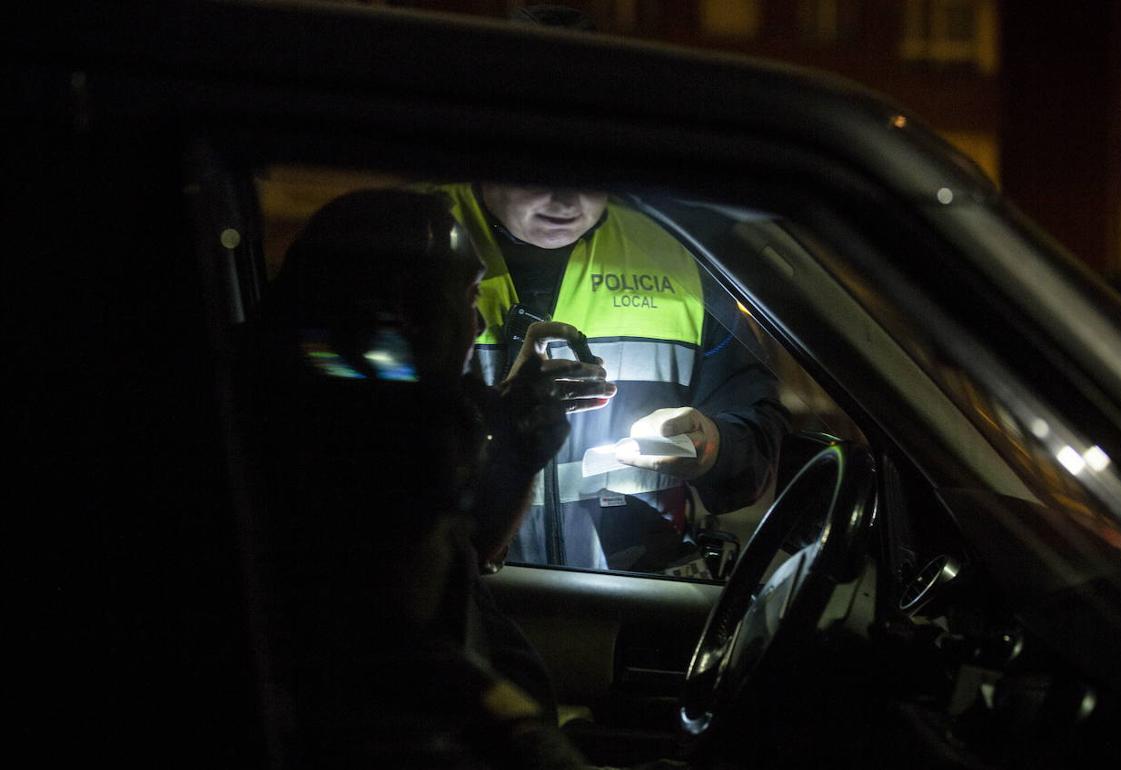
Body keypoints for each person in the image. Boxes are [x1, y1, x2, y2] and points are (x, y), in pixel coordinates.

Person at [243, 188, 610, 767]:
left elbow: (465, 563)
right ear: (400, 311)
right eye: (466, 295)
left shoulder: (348, 413)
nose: (479, 318)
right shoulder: (368, 439)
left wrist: (516, 440)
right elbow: (401, 650)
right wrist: (526, 738)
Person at [436, 180, 791, 573]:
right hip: (457, 591)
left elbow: (760, 439)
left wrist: (713, 447)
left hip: (638, 598)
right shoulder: (412, 237)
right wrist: (497, 431)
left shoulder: (675, 252)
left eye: (592, 175)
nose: (567, 198)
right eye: (540, 171)